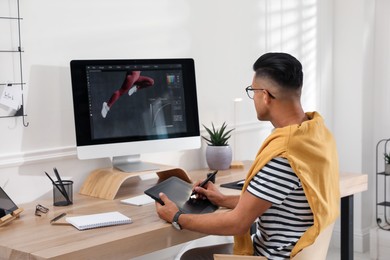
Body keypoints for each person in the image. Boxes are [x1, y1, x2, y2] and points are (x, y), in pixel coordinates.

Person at [155, 52, 340, 259]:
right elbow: (267, 201)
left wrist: (177, 217)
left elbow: (238, 223)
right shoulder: (314, 135)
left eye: (252, 91)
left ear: (266, 95)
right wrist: (223, 199)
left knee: (191, 257)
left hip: (272, 256)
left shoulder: (284, 155)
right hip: (295, 252)